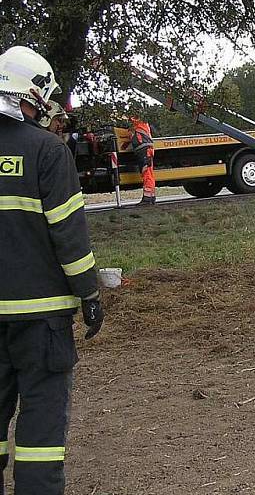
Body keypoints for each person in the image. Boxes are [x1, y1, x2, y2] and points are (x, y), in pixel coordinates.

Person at [0, 46, 104, 495]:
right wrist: (90, 293)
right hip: (41, 321)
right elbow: (69, 236)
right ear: (30, 92)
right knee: (41, 434)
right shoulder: (46, 151)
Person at [129, 116, 156, 205]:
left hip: (145, 149)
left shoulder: (139, 121)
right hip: (144, 149)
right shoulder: (139, 124)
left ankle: (148, 198)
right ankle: (150, 196)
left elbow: (130, 119)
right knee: (147, 173)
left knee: (147, 173)